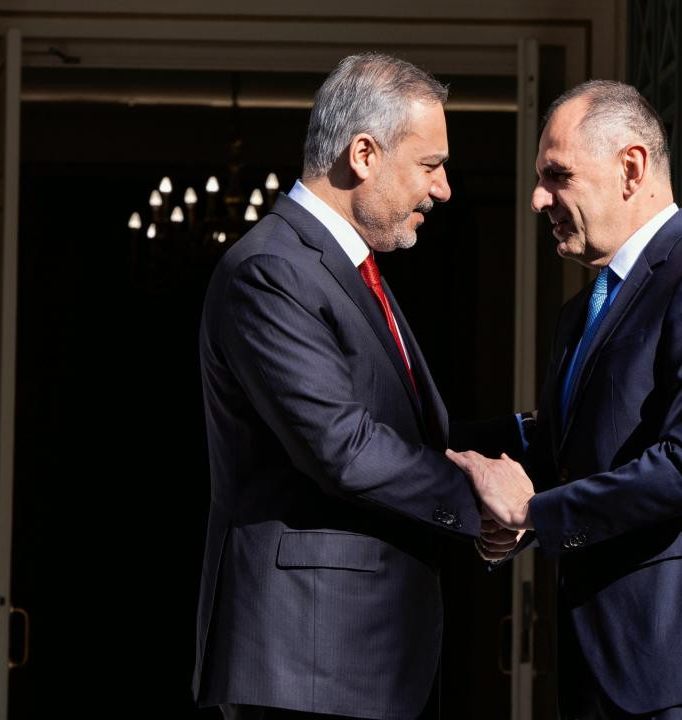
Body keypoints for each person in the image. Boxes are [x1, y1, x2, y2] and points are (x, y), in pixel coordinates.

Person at [448, 81, 682, 719]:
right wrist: (496, 500)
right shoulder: (579, 311)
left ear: (631, 169)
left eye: (557, 176)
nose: (538, 198)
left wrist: (533, 511)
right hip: (597, 666)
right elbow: (570, 455)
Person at [192, 53, 516, 720]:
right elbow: (344, 447)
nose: (443, 189)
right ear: (363, 154)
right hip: (307, 664)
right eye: (430, 165)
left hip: (359, 663)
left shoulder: (348, 269)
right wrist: (485, 496)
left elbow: (413, 438)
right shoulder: (270, 270)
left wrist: (531, 439)